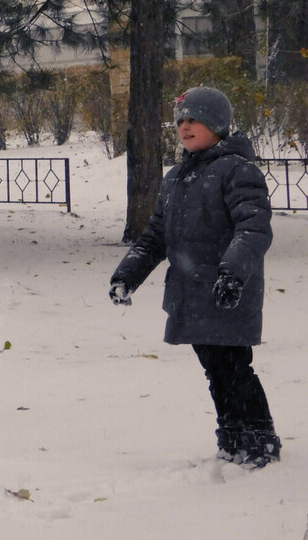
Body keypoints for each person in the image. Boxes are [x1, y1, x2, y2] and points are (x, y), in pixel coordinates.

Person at [109, 86, 279, 468]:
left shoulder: (239, 170)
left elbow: (253, 228)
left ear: (217, 124)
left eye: (194, 120)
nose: (184, 127)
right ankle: (232, 438)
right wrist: (128, 275)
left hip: (226, 291)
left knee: (235, 368)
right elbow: (156, 235)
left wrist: (232, 272)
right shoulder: (176, 178)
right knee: (216, 370)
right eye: (180, 121)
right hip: (192, 293)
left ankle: (259, 440)